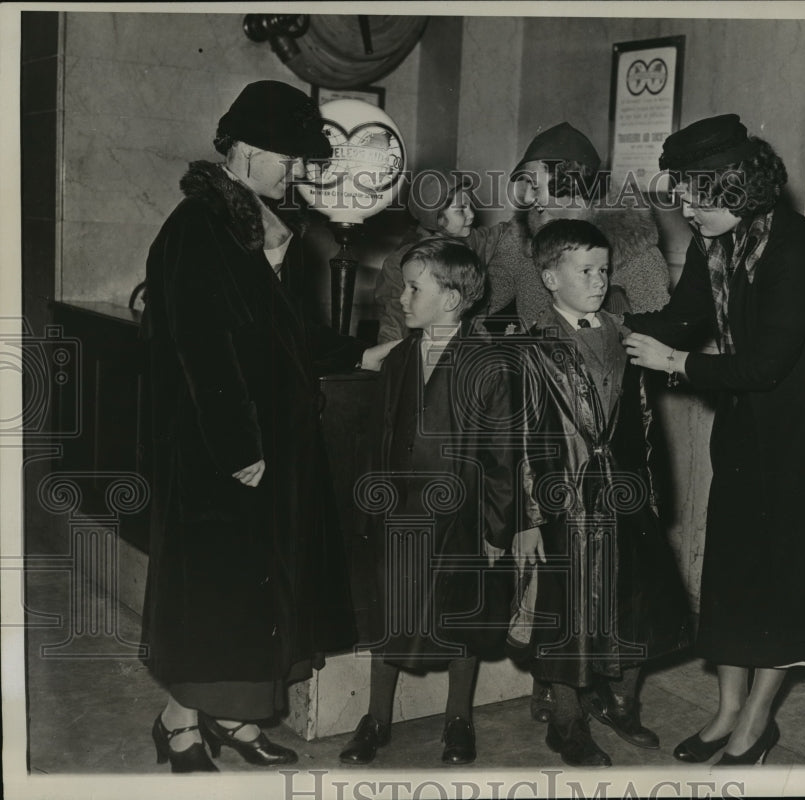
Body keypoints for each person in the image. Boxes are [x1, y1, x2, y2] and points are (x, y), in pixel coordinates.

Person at [141, 80, 398, 773]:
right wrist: (237, 447)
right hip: (221, 445)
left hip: (266, 440)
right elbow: (205, 347)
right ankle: (180, 723)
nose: (297, 171)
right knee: (216, 591)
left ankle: (233, 718)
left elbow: (283, 334)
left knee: (258, 589)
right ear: (248, 151)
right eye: (288, 158)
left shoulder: (251, 223)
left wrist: (356, 352)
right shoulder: (199, 228)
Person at [624, 114, 805, 765]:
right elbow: (684, 317)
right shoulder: (716, 241)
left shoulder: (802, 252)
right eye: (681, 192)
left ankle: (757, 722)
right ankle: (726, 712)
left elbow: (765, 364)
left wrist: (675, 364)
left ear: (737, 189)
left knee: (782, 580)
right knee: (735, 571)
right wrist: (602, 324)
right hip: (749, 427)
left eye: (696, 195)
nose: (685, 208)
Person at [512, 219, 691, 768]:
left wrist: (654, 496)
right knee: (567, 614)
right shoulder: (531, 346)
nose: (598, 279)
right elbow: (520, 437)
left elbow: (641, 419)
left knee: (637, 601)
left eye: (604, 269)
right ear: (548, 277)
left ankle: (619, 702)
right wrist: (528, 517)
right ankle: (566, 724)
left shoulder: (623, 332)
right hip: (564, 500)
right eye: (584, 270)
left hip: (626, 496)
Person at [339, 238, 517, 766]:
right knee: (388, 613)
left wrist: (496, 530)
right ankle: (375, 719)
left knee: (460, 615)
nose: (402, 298)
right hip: (399, 510)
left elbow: (502, 455)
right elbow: (381, 437)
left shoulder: (487, 363)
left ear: (454, 298)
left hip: (460, 517)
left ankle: (458, 719)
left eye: (416, 287)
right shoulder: (398, 358)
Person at [467, 122, 672, 330]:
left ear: (569, 182)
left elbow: (659, 327)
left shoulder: (632, 247)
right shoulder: (520, 237)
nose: (528, 197)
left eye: (535, 186)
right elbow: (483, 301)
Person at [374, 171, 475, 343]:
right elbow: (394, 323)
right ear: (436, 218)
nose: (471, 215)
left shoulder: (469, 249)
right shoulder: (401, 262)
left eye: (471, 207)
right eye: (461, 210)